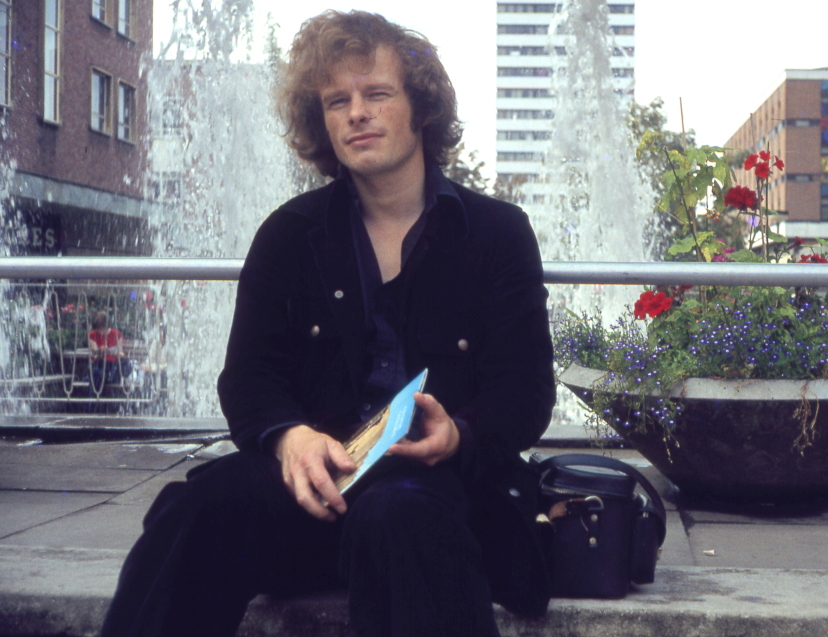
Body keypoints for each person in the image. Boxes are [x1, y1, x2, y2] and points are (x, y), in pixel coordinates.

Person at [100, 10, 556, 637]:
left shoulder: (498, 235)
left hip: (436, 493)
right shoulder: (290, 234)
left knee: (400, 516)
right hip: (313, 484)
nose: (356, 113)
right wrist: (290, 438)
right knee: (200, 508)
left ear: (421, 107)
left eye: (376, 93)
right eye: (337, 100)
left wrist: (458, 433)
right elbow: (249, 379)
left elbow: (526, 393)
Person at [88, 311, 124, 396]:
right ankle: (92, 405)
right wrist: (101, 352)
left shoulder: (116, 334)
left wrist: (110, 352)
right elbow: (95, 356)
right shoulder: (92, 335)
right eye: (97, 329)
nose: (99, 331)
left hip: (112, 366)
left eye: (101, 328)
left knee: (95, 376)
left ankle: (89, 407)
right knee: (96, 373)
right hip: (98, 364)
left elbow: (122, 355)